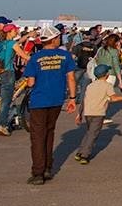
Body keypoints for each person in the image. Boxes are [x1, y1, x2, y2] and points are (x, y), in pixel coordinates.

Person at [17, 28, 79, 185]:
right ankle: (47, 168)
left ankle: (38, 172)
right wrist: (72, 98)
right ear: (54, 39)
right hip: (57, 99)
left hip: (39, 100)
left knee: (38, 135)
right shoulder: (65, 56)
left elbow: (30, 82)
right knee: (49, 131)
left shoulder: (35, 58)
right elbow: (71, 78)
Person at [73, 66, 122, 164]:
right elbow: (113, 98)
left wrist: (79, 114)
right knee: (93, 135)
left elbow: (84, 100)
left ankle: (80, 152)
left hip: (88, 113)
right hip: (98, 113)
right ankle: (85, 155)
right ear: (107, 75)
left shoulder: (90, 85)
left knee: (89, 132)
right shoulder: (107, 85)